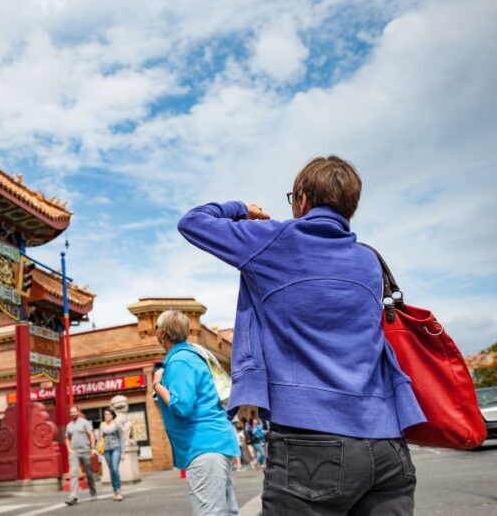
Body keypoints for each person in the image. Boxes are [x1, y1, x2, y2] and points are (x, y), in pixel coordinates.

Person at [178, 155, 426, 515]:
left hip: (311, 441)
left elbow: (193, 222)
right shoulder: (369, 261)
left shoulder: (273, 240)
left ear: (303, 199)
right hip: (388, 444)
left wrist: (241, 209)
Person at [152, 310, 241, 516]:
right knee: (225, 512)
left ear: (162, 333)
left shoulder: (179, 361)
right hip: (217, 441)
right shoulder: (195, 355)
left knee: (210, 512)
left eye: (156, 327)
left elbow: (182, 406)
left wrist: (157, 384)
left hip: (203, 445)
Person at [64, 405, 98, 506]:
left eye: (74, 412)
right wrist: (69, 449)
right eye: (71, 412)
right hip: (74, 453)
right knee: (74, 474)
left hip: (85, 451)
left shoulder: (85, 423)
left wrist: (92, 448)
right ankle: (73, 497)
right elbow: (67, 438)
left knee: (89, 473)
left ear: (78, 412)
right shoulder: (69, 425)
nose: (73, 414)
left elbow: (91, 434)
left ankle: (93, 493)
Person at [98, 408, 125, 501]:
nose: (106, 416)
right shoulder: (102, 425)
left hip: (116, 449)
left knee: (115, 468)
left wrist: (123, 452)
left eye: (108, 414)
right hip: (106, 450)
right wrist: (99, 452)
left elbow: (121, 438)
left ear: (112, 415)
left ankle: (118, 490)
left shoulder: (117, 424)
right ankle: (114, 491)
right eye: (105, 414)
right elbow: (100, 439)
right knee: (111, 470)